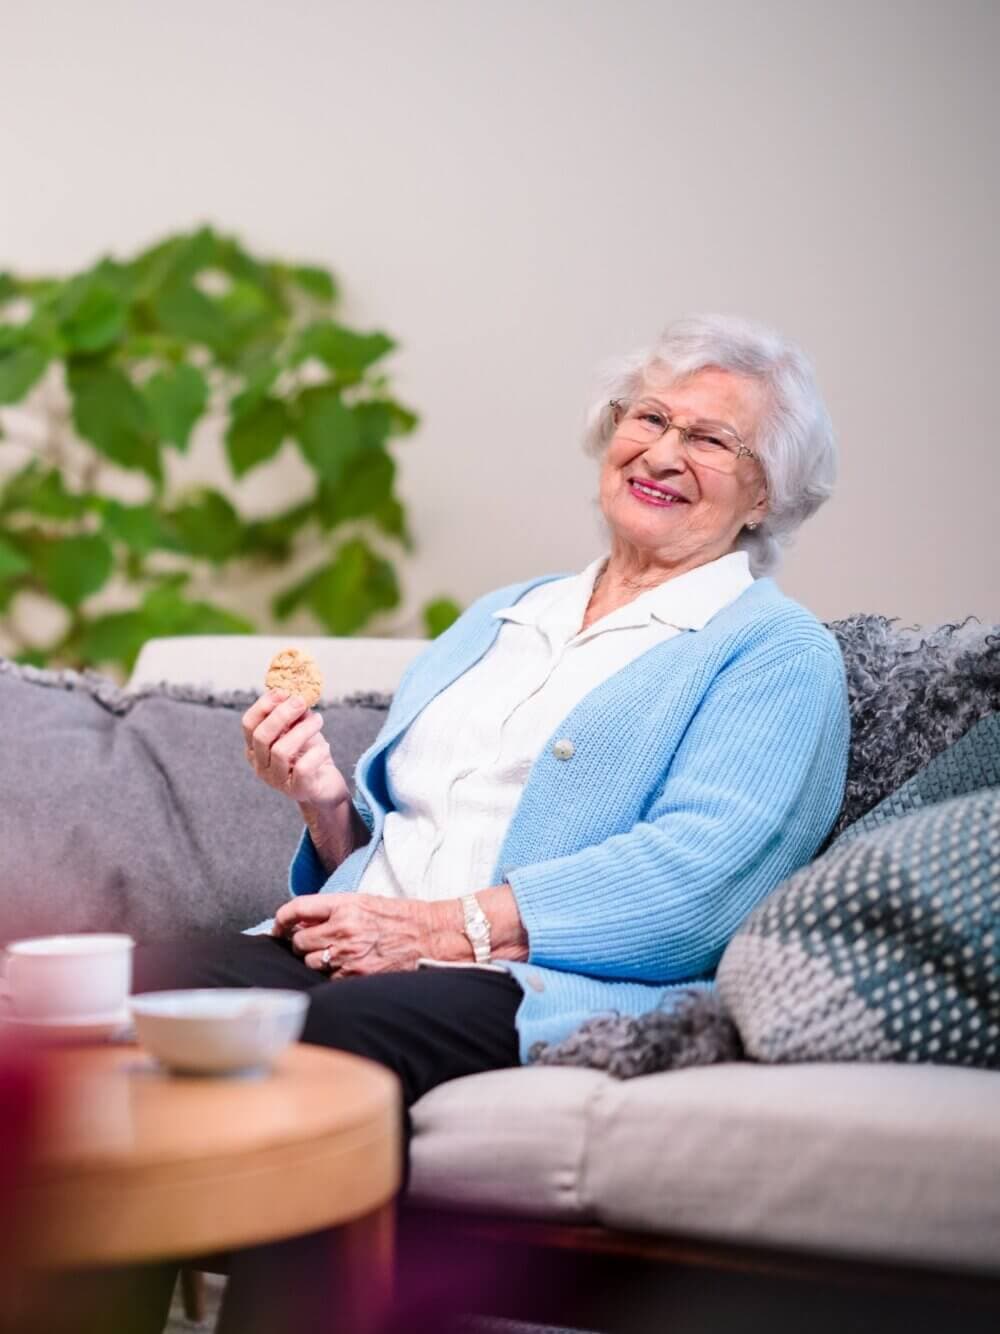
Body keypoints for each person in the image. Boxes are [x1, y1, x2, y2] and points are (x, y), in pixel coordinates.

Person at [135, 314, 849, 1321]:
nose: (661, 451)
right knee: (119, 996)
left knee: (325, 1041)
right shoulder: (505, 614)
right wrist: (325, 802)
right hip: (364, 950)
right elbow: (402, 838)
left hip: (530, 980)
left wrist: (435, 929)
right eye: (648, 416)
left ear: (766, 491)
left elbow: (700, 883)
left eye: (710, 438)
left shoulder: (773, 653)